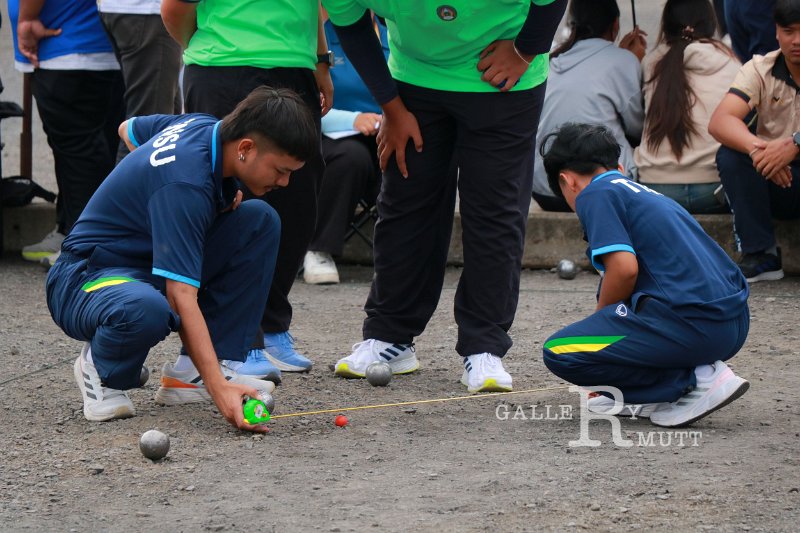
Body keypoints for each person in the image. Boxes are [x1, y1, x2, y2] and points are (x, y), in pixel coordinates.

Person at [324, 0, 567, 393]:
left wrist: (525, 50)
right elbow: (350, 23)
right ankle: (391, 336)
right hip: (415, 80)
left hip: (504, 77)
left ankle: (484, 345)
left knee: (494, 212)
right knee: (405, 204)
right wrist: (391, 106)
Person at [46, 87, 317, 430]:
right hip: (85, 276)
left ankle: (190, 375)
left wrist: (160, 197)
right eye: (280, 170)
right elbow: (180, 296)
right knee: (146, 309)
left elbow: (129, 129)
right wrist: (220, 390)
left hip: (144, 267)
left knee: (258, 222)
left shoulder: (204, 127)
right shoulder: (186, 185)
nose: (285, 181)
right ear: (246, 148)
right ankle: (102, 370)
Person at [161, 0, 331, 379]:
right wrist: (213, 47)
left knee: (297, 192)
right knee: (231, 200)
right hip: (223, 63)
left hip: (296, 64)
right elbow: (175, 9)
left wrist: (321, 59)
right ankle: (237, 342)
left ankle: (271, 326)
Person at [540, 123, 750, 428]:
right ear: (620, 167)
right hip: (732, 324)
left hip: (695, 325)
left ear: (567, 180)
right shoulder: (647, 194)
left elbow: (624, 270)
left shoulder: (594, 193)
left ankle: (692, 381)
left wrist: (601, 323)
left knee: (559, 350)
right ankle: (662, 389)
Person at [10, 0, 125, 264]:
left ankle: (85, 246)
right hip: (93, 45)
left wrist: (26, 20)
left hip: (67, 47)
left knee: (80, 153)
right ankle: (69, 230)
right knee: (92, 148)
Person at [709, 0, 800, 283]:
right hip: (780, 179)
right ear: (775, 32)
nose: (796, 41)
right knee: (731, 155)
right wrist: (762, 151)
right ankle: (760, 254)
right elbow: (720, 121)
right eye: (788, 31)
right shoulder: (761, 67)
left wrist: (794, 144)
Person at [532, 0, 646, 212]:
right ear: (615, 25)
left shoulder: (551, 57)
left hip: (545, 188)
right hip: (602, 189)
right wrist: (633, 62)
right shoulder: (623, 61)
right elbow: (636, 128)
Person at [303, 13, 389, 285]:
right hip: (334, 133)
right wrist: (353, 119)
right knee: (350, 158)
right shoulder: (322, 35)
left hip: (389, 128)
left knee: (408, 159)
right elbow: (307, 103)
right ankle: (318, 250)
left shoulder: (392, 31)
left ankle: (399, 257)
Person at [634, 0, 740, 214]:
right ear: (711, 24)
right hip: (713, 189)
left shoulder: (651, 62)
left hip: (655, 189)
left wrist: (634, 59)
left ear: (666, 25)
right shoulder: (731, 63)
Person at [97, 0, 183, 162]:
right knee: (145, 131)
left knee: (164, 125)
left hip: (135, 12)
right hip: (147, 12)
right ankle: (123, 187)